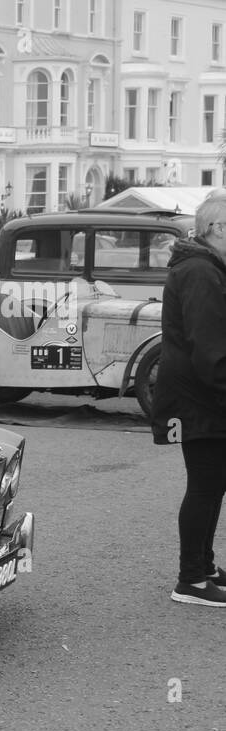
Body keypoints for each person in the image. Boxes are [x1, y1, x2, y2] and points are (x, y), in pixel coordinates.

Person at [151, 187, 226, 606]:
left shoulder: (207, 267)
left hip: (199, 394)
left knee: (213, 484)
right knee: (205, 485)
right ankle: (191, 580)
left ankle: (205, 566)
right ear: (216, 228)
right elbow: (209, 347)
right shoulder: (200, 271)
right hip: (196, 398)